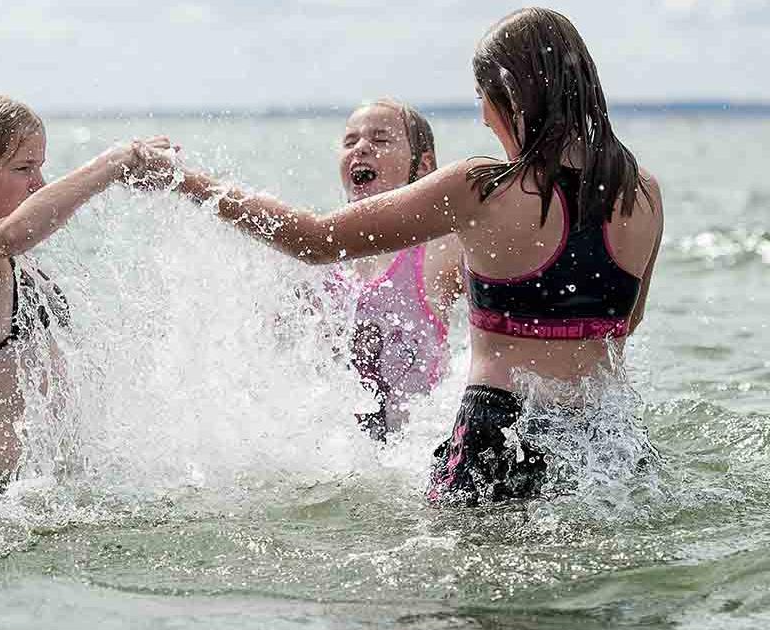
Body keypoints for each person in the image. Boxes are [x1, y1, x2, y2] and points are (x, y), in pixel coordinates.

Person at [156, 8, 664, 506]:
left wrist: (184, 181)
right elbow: (628, 322)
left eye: (483, 99)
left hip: (500, 433)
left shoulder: (482, 189)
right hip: (608, 440)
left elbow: (312, 239)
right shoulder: (644, 195)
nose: (484, 120)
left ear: (512, 97)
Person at [0, 92, 170, 491]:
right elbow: (15, 232)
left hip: (42, 483)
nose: (39, 183)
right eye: (23, 168)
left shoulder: (2, 258)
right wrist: (113, 165)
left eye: (40, 167)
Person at [330, 100, 463, 440]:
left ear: (424, 166)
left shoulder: (440, 249)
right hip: (344, 455)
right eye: (350, 141)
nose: (361, 148)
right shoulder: (325, 257)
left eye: (380, 140)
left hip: (414, 451)